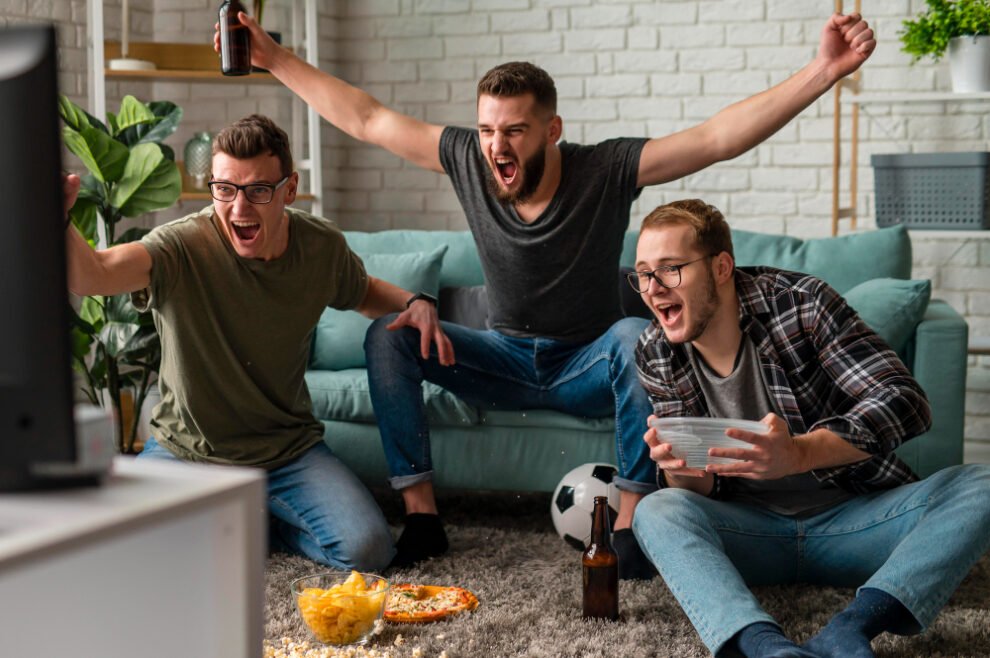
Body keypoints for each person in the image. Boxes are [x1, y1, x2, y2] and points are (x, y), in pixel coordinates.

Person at [217, 11, 877, 575]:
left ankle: (627, 524)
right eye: (486, 130)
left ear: (551, 130)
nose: (495, 145)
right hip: (502, 357)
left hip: (583, 361)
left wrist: (822, 72)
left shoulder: (605, 170)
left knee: (632, 337)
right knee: (385, 338)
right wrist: (272, 57)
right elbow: (364, 117)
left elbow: (715, 139)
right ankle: (422, 519)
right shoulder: (470, 161)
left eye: (513, 131)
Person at [63, 114, 454, 572]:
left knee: (368, 551)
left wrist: (416, 300)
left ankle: (260, 522)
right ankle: (244, 519)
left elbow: (362, 290)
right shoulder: (181, 246)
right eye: (225, 188)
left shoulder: (319, 247)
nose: (238, 207)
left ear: (289, 190)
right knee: (136, 554)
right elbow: (95, 275)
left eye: (258, 190)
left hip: (287, 453)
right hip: (188, 451)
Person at [629, 199, 990, 658]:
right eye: (643, 273)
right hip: (750, 532)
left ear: (721, 267)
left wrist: (799, 454)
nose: (653, 288)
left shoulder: (801, 305)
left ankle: (853, 627)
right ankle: (764, 647)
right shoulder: (655, 349)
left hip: (855, 519)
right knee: (657, 510)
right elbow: (699, 490)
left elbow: (905, 402)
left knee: (981, 484)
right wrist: (678, 467)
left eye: (671, 269)